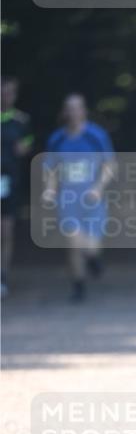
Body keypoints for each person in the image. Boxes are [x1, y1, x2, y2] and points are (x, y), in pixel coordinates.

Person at [43, 93, 115, 302]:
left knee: (90, 246)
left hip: (92, 200)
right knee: (73, 242)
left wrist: (98, 188)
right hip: (67, 200)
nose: (73, 113)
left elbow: (110, 164)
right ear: (64, 112)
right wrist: (49, 190)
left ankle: (94, 259)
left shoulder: (96, 135)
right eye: (69, 108)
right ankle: (78, 286)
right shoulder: (57, 138)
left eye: (77, 108)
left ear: (84, 111)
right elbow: (51, 169)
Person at [1, 77, 33, 298]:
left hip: (8, 183)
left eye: (10, 92)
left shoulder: (21, 121)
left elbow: (26, 148)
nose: (6, 96)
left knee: (6, 231)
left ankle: (2, 276)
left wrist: (21, 148)